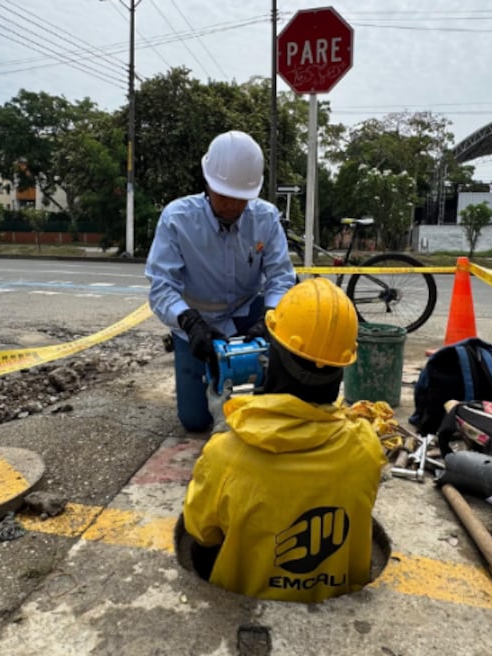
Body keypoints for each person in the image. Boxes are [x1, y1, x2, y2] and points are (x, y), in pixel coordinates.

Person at [181, 278, 386, 603]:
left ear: (273, 359)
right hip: (333, 604)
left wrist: (225, 427)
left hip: (245, 604)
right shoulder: (367, 446)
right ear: (342, 369)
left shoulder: (226, 455)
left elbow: (201, 532)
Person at [145, 130, 296, 431]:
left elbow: (281, 276)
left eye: (240, 199)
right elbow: (162, 286)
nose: (231, 206)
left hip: (246, 311)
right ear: (207, 183)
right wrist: (188, 321)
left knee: (271, 400)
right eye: (223, 195)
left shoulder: (265, 218)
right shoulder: (177, 219)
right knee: (195, 421)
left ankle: (264, 384)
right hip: (195, 323)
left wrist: (270, 316)